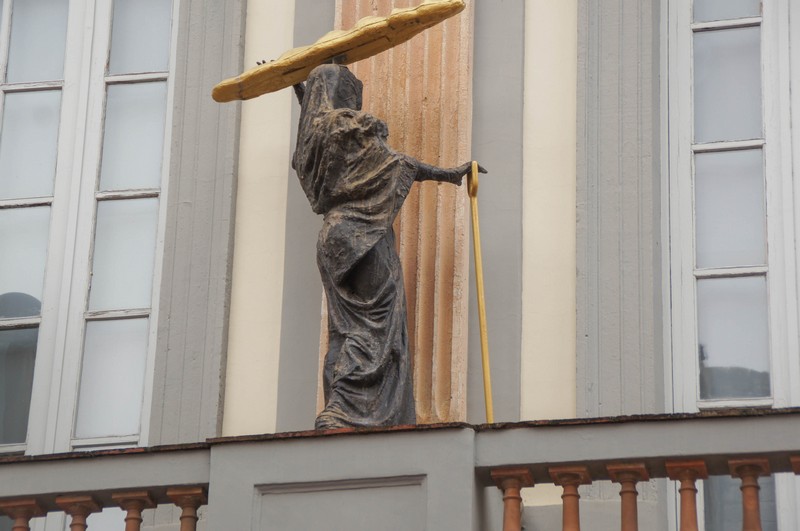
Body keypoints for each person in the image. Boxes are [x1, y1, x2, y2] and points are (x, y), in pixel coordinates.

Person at [291, 63, 484, 429]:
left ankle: (336, 407)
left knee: (344, 328)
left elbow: (317, 120)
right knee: (375, 324)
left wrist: (302, 92)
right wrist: (448, 174)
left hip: (331, 238)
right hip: (363, 235)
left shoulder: (311, 138)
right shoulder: (349, 125)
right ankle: (350, 411)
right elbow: (397, 163)